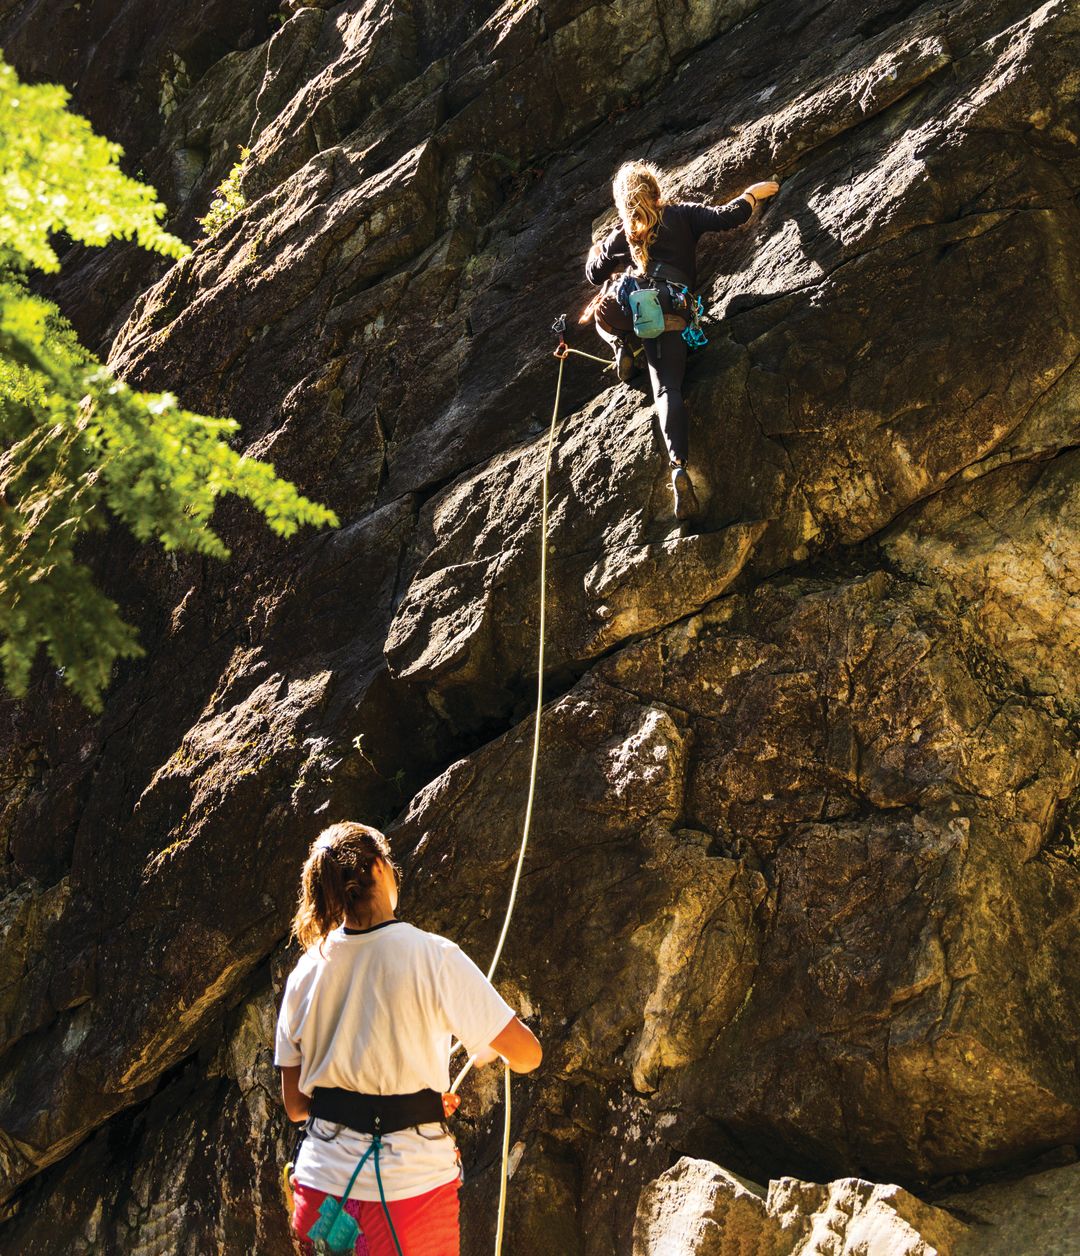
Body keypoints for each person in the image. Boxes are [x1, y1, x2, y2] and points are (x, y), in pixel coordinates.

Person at [275, 821, 542, 1256]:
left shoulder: (307, 971)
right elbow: (528, 1054)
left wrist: (408, 1101)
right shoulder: (433, 956)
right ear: (380, 868)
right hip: (407, 1200)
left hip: (322, 1194)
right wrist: (485, 1051)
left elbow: (296, 1106)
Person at [584, 160, 779, 520]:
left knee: (602, 313)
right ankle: (678, 465)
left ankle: (622, 345)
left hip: (634, 306)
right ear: (657, 191)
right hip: (672, 307)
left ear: (623, 203)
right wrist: (754, 193)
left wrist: (596, 252)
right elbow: (728, 217)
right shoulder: (681, 214)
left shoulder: (623, 234)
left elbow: (595, 276)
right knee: (668, 389)